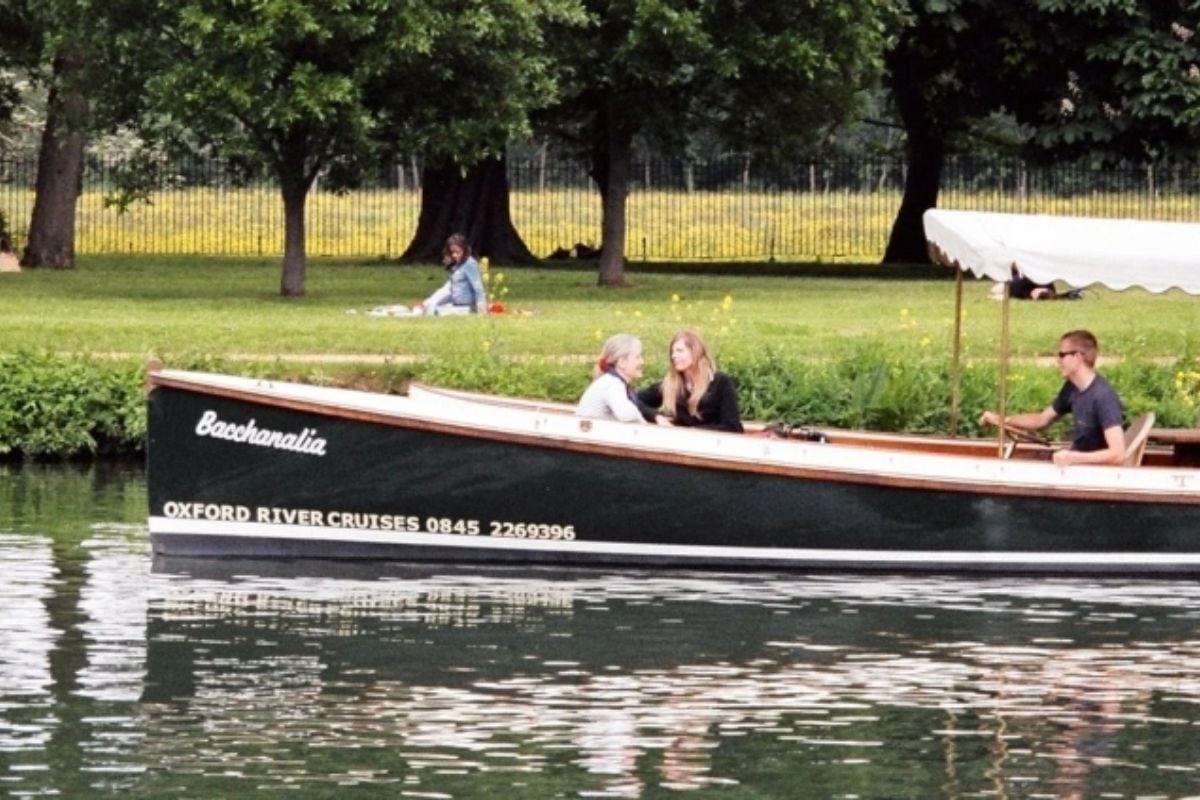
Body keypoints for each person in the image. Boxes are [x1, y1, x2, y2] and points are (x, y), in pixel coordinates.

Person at [979, 329, 1125, 466]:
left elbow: (1118, 454)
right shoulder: (1072, 387)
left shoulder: (1103, 397)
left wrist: (1073, 457)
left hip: (1088, 473)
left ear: (1078, 357)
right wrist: (1003, 420)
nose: (1058, 360)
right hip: (1076, 465)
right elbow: (1042, 419)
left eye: (1062, 355)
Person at [637, 329, 743, 432]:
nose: (674, 356)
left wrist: (692, 432)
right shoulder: (670, 385)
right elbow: (633, 400)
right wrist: (655, 416)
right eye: (672, 352)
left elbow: (732, 426)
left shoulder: (720, 383)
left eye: (679, 351)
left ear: (695, 352)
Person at [575, 333, 654, 423]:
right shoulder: (612, 384)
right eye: (637, 357)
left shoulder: (612, 381)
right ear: (622, 362)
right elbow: (628, 416)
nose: (642, 362)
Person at [414, 233, 487, 315]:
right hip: (456, 303)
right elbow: (449, 288)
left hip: (466, 307)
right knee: (430, 307)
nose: (454, 255)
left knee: (437, 312)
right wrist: (428, 302)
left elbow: (477, 286)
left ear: (464, 250)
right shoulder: (458, 265)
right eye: (452, 252)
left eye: (457, 252)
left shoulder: (469, 264)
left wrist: (481, 309)